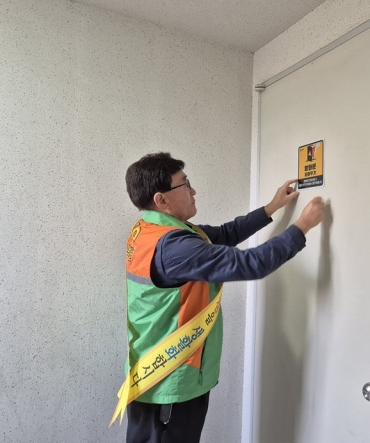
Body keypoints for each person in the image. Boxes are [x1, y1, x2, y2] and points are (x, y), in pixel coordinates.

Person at [122, 152, 324, 443]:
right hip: (170, 380)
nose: (193, 191)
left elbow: (224, 234)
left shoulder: (152, 231)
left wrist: (272, 207)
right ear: (161, 200)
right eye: (184, 184)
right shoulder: (174, 248)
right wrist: (302, 226)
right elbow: (250, 264)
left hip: (154, 372)